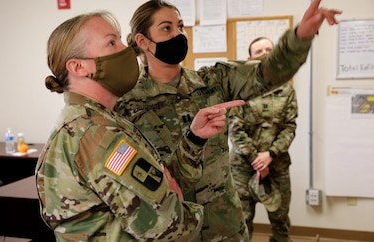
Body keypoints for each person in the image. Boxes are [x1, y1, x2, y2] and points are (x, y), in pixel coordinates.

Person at [115, 0, 341, 241]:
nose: (179, 34)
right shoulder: (126, 103)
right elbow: (122, 172)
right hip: (170, 225)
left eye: (180, 26)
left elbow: (267, 72)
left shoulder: (213, 81)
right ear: (143, 41)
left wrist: (300, 36)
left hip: (223, 221)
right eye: (167, 28)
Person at [35, 10, 245, 242]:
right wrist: (180, 205)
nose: (125, 49)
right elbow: (170, 229)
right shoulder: (98, 134)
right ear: (78, 67)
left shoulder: (97, 121)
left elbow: (157, 185)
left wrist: (194, 138)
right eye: (111, 42)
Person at [228, 36, 298, 242]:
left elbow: (289, 126)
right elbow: (234, 127)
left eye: (269, 48)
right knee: (241, 222)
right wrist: (256, 160)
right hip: (242, 167)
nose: (266, 53)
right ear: (250, 58)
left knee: (281, 221)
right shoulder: (240, 89)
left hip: (277, 165)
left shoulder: (286, 89)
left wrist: (270, 155)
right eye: (259, 51)